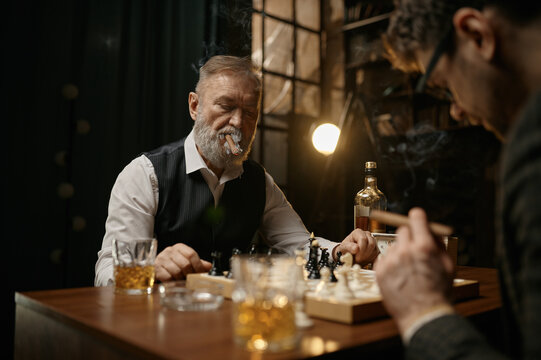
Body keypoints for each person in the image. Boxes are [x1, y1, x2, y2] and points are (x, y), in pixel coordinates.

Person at [95, 55, 379, 286]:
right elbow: (105, 271)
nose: (238, 122)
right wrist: (149, 268)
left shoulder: (258, 181)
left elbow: (299, 245)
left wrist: (341, 250)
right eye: (226, 106)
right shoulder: (144, 174)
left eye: (250, 112)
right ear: (194, 106)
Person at [374, 1, 541, 359]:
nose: (456, 110)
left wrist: (423, 312)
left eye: (445, 88)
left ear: (477, 35)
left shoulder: (533, 146)